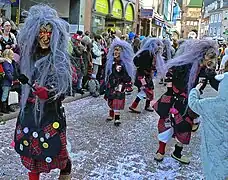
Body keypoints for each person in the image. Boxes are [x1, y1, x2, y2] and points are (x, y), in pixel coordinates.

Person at [13, 5, 72, 180]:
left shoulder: (59, 60)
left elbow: (66, 88)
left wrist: (50, 93)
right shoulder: (27, 58)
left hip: (50, 114)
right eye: (41, 32)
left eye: (49, 33)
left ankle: (66, 170)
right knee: (30, 151)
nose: (45, 37)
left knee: (57, 151)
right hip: (30, 115)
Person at [153, 39, 218, 164]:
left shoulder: (207, 71)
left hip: (190, 103)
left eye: (213, 58)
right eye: (209, 57)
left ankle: (177, 153)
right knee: (166, 125)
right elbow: (170, 73)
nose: (211, 61)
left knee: (184, 128)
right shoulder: (185, 64)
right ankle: (160, 151)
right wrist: (171, 90)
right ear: (202, 55)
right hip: (173, 100)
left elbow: (217, 84)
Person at [188, 65, 228, 180]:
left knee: (213, 168)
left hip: (213, 146)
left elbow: (193, 103)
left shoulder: (210, 105)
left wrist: (197, 88)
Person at [129, 38, 166, 114]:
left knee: (149, 89)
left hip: (146, 75)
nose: (159, 47)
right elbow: (136, 60)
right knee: (146, 90)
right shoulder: (147, 53)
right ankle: (134, 106)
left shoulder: (151, 53)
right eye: (158, 45)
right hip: (143, 76)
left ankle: (146, 105)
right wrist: (142, 69)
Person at [104, 39, 135, 126]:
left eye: (118, 50)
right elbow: (107, 72)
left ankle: (117, 118)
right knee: (110, 99)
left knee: (117, 100)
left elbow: (126, 75)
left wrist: (125, 81)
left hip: (119, 85)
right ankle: (111, 114)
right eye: (115, 49)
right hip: (111, 84)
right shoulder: (110, 61)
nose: (116, 51)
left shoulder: (123, 63)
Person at [1, 49, 14, 114]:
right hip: (6, 82)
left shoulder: (9, 62)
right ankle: (3, 108)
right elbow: (7, 72)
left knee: (7, 95)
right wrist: (12, 79)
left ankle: (6, 107)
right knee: (4, 95)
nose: (13, 55)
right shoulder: (6, 62)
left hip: (8, 82)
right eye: (12, 54)